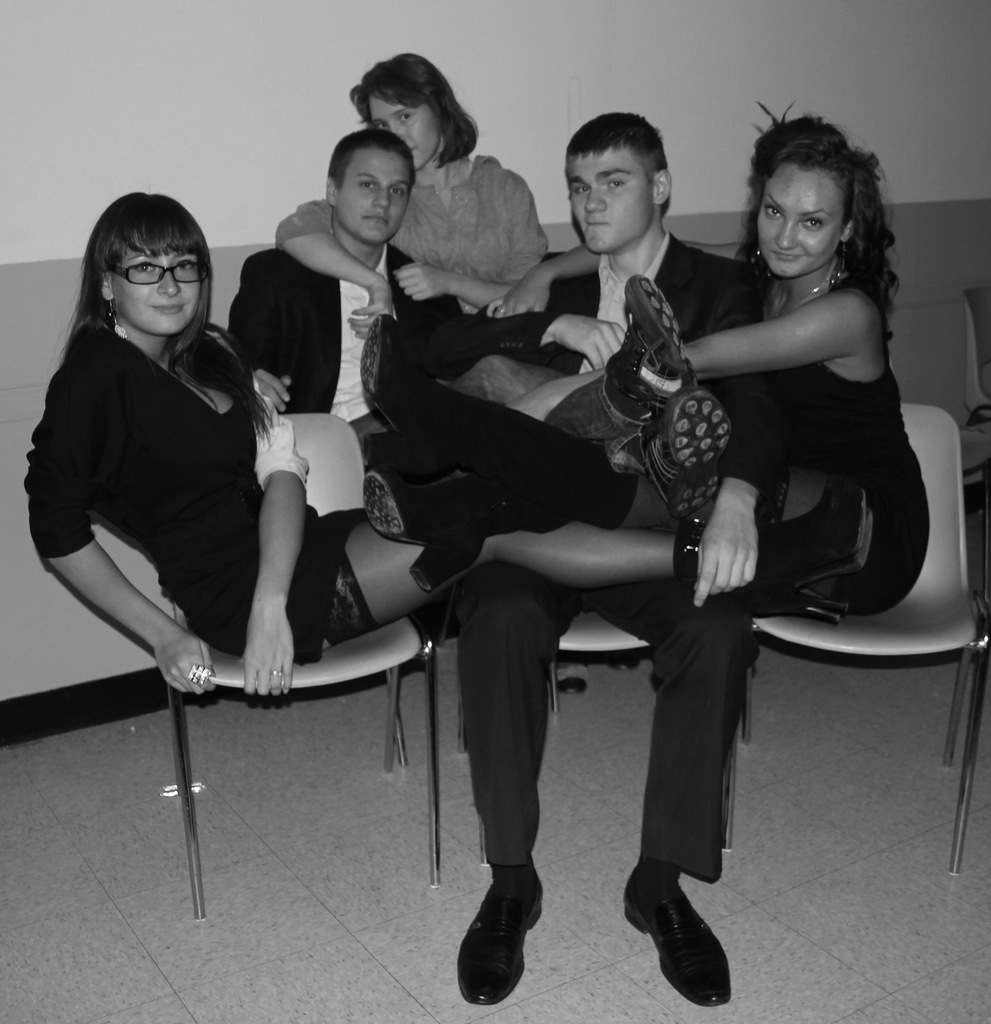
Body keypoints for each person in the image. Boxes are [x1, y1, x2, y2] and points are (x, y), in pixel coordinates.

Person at [363, 112, 790, 1010]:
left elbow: (757, 400)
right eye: (577, 186)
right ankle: (510, 880)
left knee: (718, 630)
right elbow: (440, 345)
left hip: (652, 534)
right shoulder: (552, 276)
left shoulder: (720, 285)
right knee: (497, 615)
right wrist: (551, 323)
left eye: (613, 182)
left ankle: (660, 884)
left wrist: (739, 498)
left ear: (660, 187)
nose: (590, 203)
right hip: (540, 534)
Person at [25, 193, 763, 699]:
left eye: (184, 264)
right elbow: (56, 530)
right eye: (144, 267)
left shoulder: (209, 355)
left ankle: (676, 507)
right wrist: (164, 635)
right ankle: (688, 529)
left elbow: (281, 470)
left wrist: (274, 591)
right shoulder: (96, 375)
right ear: (107, 284)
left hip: (295, 550)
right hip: (231, 594)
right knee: (489, 524)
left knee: (494, 498)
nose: (170, 283)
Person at [275, 53, 547, 318]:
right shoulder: (390, 196)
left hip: (510, 340)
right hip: (429, 346)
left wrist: (450, 283)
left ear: (439, 108)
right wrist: (374, 282)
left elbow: (528, 297)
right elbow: (294, 229)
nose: (395, 134)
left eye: (404, 117)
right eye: (382, 124)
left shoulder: (504, 188)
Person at [228, 129, 463, 429]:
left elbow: (454, 375)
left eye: (396, 191)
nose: (382, 202)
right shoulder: (274, 275)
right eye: (367, 184)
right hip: (316, 440)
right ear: (332, 191)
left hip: (408, 436)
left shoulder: (426, 285)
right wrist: (250, 380)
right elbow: (238, 366)